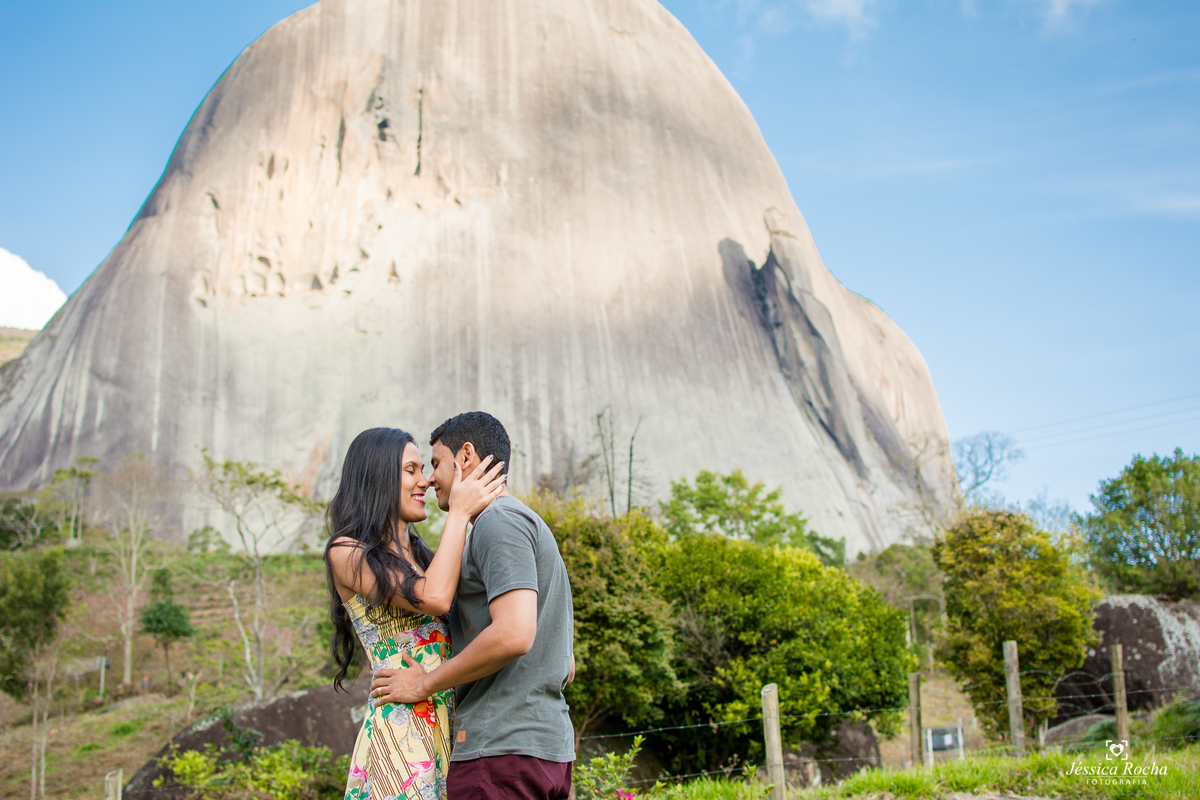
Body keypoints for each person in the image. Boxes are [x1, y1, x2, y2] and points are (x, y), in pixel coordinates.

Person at [371, 412, 576, 800]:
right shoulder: (524, 521)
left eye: (434, 464)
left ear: (465, 456)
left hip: (500, 751)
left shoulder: (497, 522)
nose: (430, 479)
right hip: (545, 747)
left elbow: (514, 634)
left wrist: (424, 683)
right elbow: (566, 663)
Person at [325, 427, 506, 800]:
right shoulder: (346, 551)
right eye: (411, 470)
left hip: (452, 726)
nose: (424, 480)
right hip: (402, 734)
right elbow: (436, 598)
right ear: (377, 476)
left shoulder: (426, 559)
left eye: (423, 468)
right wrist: (459, 512)